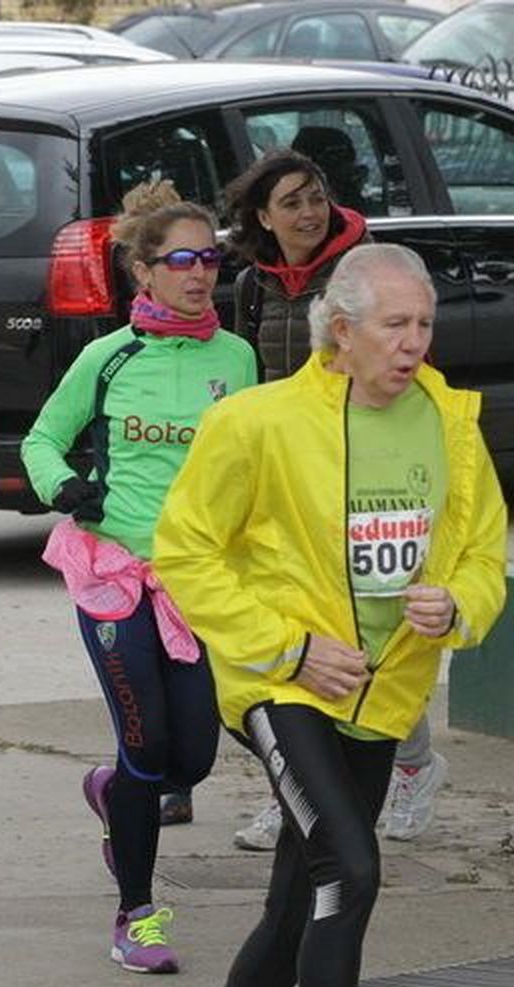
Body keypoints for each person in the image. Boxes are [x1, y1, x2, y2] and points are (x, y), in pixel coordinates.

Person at [153, 244, 506, 987]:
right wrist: (289, 648)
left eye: (424, 323)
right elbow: (185, 550)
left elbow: (485, 555)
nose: (414, 341)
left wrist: (456, 604)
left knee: (294, 909)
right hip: (284, 687)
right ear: (341, 331)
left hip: (384, 696)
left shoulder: (451, 425)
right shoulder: (258, 422)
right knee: (350, 870)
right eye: (395, 324)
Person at [21, 179, 258, 974]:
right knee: (146, 741)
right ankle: (137, 913)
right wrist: (64, 488)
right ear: (143, 272)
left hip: (199, 579)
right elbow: (41, 441)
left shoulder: (238, 357)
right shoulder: (107, 355)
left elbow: (254, 465)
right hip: (116, 572)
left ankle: (112, 786)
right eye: (183, 260)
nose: (200, 273)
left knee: (188, 759)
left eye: (211, 259)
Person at [211, 148, 449, 851]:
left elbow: (408, 371)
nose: (310, 212)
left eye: (316, 197)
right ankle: (296, 791)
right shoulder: (255, 283)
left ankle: (409, 766)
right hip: (287, 471)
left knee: (369, 634)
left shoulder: (364, 273)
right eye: (292, 203)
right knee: (289, 640)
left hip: (363, 470)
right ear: (263, 217)